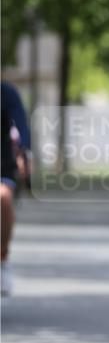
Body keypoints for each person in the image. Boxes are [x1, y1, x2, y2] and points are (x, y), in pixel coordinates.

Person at [1, 81, 31, 296]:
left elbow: (21, 125)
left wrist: (24, 153)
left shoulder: (7, 93)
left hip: (2, 164)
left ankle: (2, 258)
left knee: (3, 197)